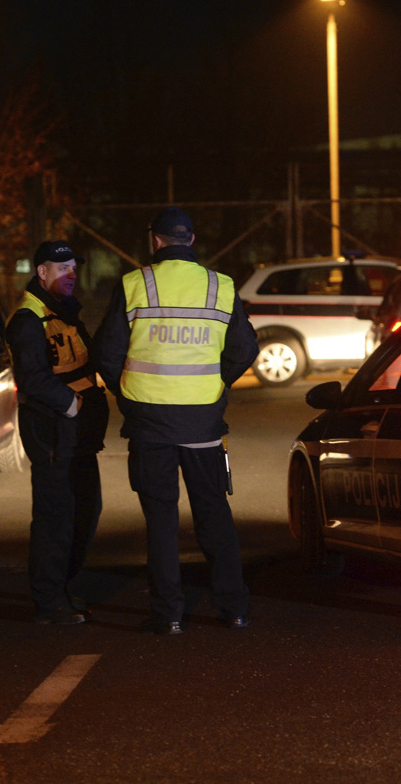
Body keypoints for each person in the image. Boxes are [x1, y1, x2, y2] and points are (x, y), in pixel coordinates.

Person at [94, 207, 258, 636]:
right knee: (214, 514)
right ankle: (234, 608)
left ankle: (168, 614)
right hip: (203, 423)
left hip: (150, 424)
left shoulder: (135, 284)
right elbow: (244, 349)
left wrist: (128, 392)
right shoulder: (219, 286)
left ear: (156, 241)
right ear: (192, 238)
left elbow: (107, 352)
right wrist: (216, 386)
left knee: (161, 520)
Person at [6, 241, 109, 625]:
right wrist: (73, 406)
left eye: (74, 268)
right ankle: (49, 602)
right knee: (56, 519)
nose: (71, 275)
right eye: (61, 268)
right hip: (53, 432)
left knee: (85, 509)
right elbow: (33, 378)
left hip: (76, 434)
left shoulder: (63, 312)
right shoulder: (28, 319)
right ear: (41, 272)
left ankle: (61, 588)